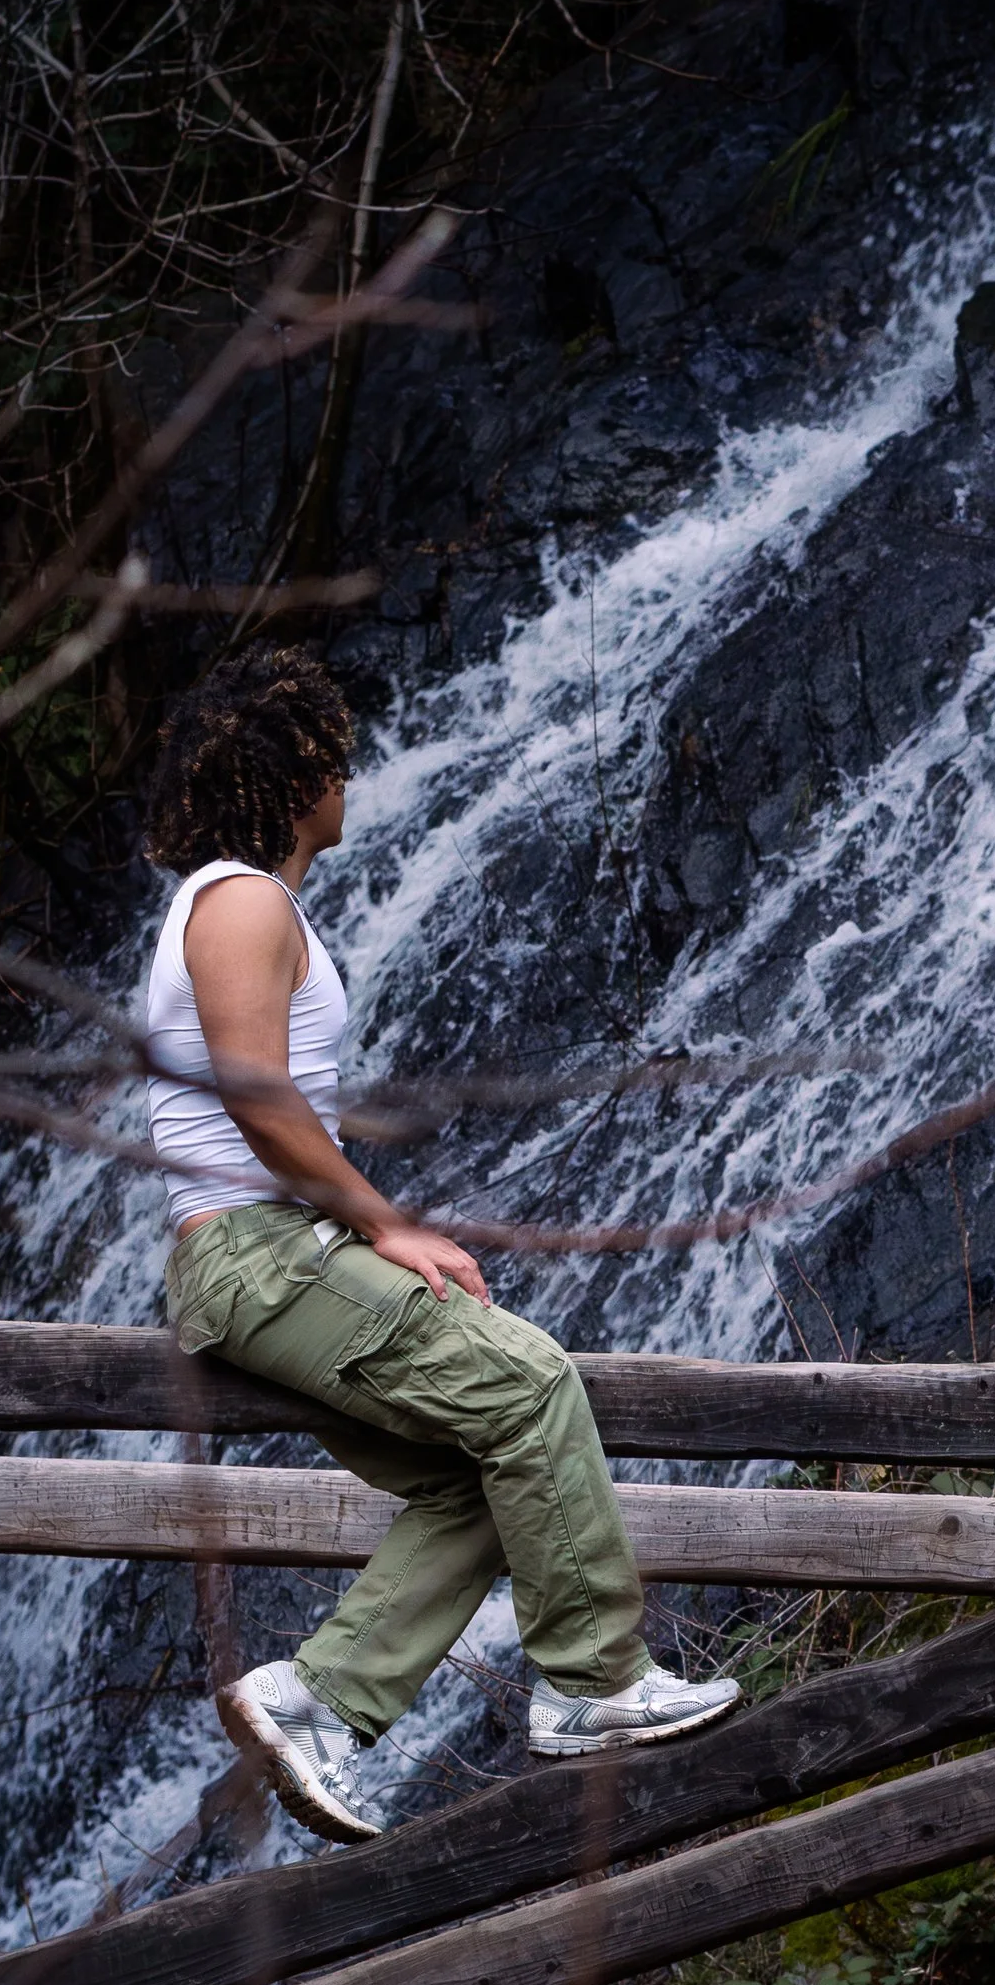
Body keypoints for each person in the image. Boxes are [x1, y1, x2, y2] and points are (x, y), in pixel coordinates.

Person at [143, 646, 740, 1842]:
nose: (352, 773)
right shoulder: (242, 899)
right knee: (529, 1384)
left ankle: (316, 1700)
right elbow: (259, 1103)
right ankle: (591, 1684)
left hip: (268, 1254)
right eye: (335, 753)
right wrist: (386, 1222)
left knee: (492, 1472)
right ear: (294, 766)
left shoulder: (243, 903)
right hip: (258, 1250)